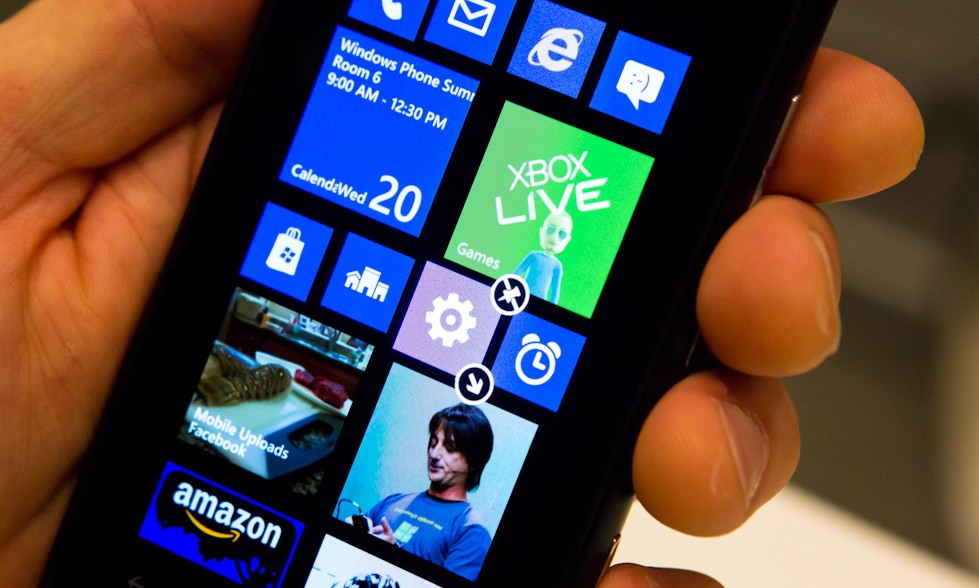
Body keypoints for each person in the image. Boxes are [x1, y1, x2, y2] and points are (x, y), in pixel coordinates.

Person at [0, 1, 924, 587]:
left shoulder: (465, 536)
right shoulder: (399, 503)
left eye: (445, 442)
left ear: (471, 460)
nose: (435, 450)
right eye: (436, 439)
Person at [361, 404, 494, 581]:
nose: (435, 454)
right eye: (433, 443)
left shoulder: (472, 532)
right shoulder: (393, 501)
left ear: (474, 461)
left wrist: (391, 555)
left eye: (450, 448)